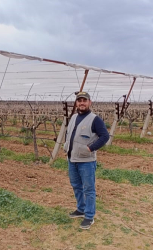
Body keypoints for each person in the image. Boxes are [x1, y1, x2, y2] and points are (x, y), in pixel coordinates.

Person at [63, 91, 110, 230]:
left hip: (86, 161)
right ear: (76, 103)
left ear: (90, 102)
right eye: (79, 100)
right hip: (72, 159)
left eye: (84, 100)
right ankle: (81, 209)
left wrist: (91, 148)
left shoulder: (95, 119)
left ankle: (89, 216)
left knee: (89, 189)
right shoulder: (74, 117)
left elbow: (104, 136)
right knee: (76, 185)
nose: (82, 103)